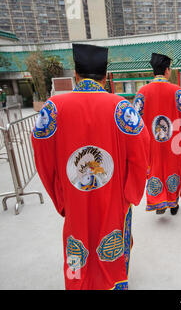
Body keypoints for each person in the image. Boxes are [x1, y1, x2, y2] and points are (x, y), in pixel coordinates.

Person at [31, 43, 150, 290]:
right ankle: (113, 282)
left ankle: (78, 282)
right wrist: (131, 191)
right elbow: (141, 151)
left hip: (74, 195)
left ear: (76, 74)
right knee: (111, 240)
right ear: (105, 77)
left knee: (77, 239)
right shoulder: (121, 108)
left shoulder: (54, 108)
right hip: (113, 196)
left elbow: (41, 151)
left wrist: (59, 193)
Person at [133, 53, 181, 215]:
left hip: (151, 145)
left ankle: (158, 201)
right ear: (167, 70)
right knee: (173, 170)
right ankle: (172, 203)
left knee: (155, 170)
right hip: (173, 144)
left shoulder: (142, 93)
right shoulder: (177, 91)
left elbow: (136, 124)